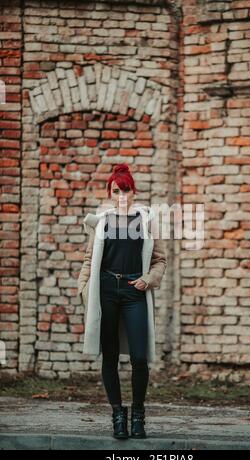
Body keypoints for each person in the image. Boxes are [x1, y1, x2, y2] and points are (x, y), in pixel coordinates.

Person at [77, 163, 167, 440]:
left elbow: (159, 260)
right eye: (116, 191)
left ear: (133, 191)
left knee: (140, 357)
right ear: (110, 192)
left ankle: (138, 414)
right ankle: (118, 414)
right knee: (111, 356)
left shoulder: (146, 220)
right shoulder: (102, 222)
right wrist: (82, 288)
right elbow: (89, 260)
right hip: (105, 291)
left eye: (126, 190)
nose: (122, 196)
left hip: (134, 292)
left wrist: (148, 279)